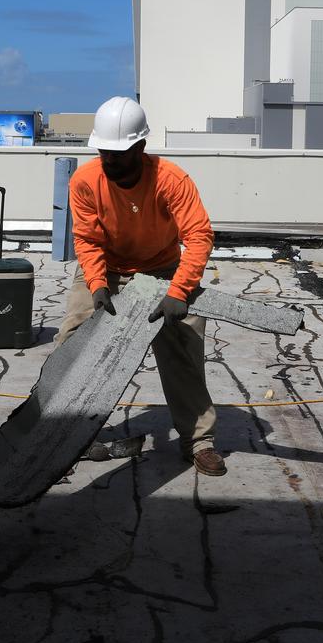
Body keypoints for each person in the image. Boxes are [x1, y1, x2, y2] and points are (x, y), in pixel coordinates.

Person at [55, 96, 224, 475]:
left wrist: (178, 292)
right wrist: (97, 284)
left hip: (162, 268)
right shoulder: (85, 180)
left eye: (119, 154)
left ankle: (199, 440)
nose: (110, 161)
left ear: (141, 147)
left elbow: (198, 237)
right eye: (104, 153)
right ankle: (62, 432)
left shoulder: (170, 180)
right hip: (108, 267)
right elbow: (87, 239)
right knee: (73, 341)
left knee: (182, 342)